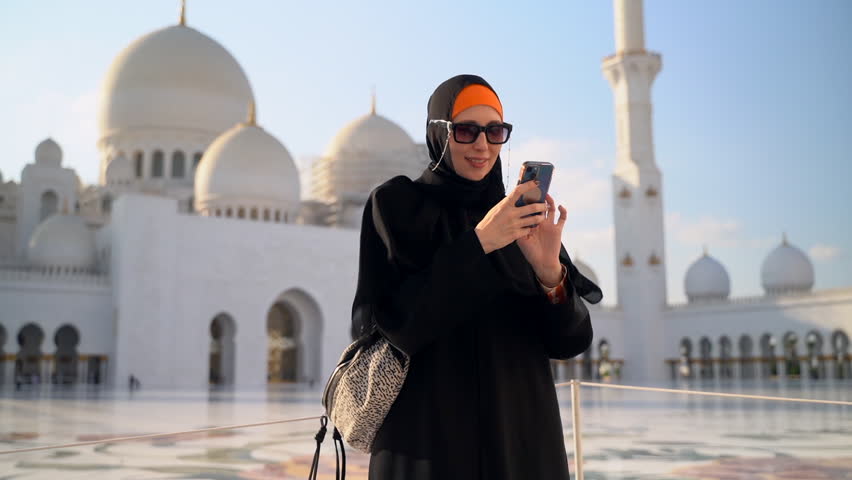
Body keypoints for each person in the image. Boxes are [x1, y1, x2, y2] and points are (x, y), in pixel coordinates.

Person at [351, 74, 603, 480]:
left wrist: (549, 273)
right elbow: (392, 324)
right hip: (427, 444)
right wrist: (480, 243)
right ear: (439, 133)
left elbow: (570, 341)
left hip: (520, 441)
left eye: (495, 131)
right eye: (465, 131)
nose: (482, 145)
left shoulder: (519, 216)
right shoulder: (398, 207)